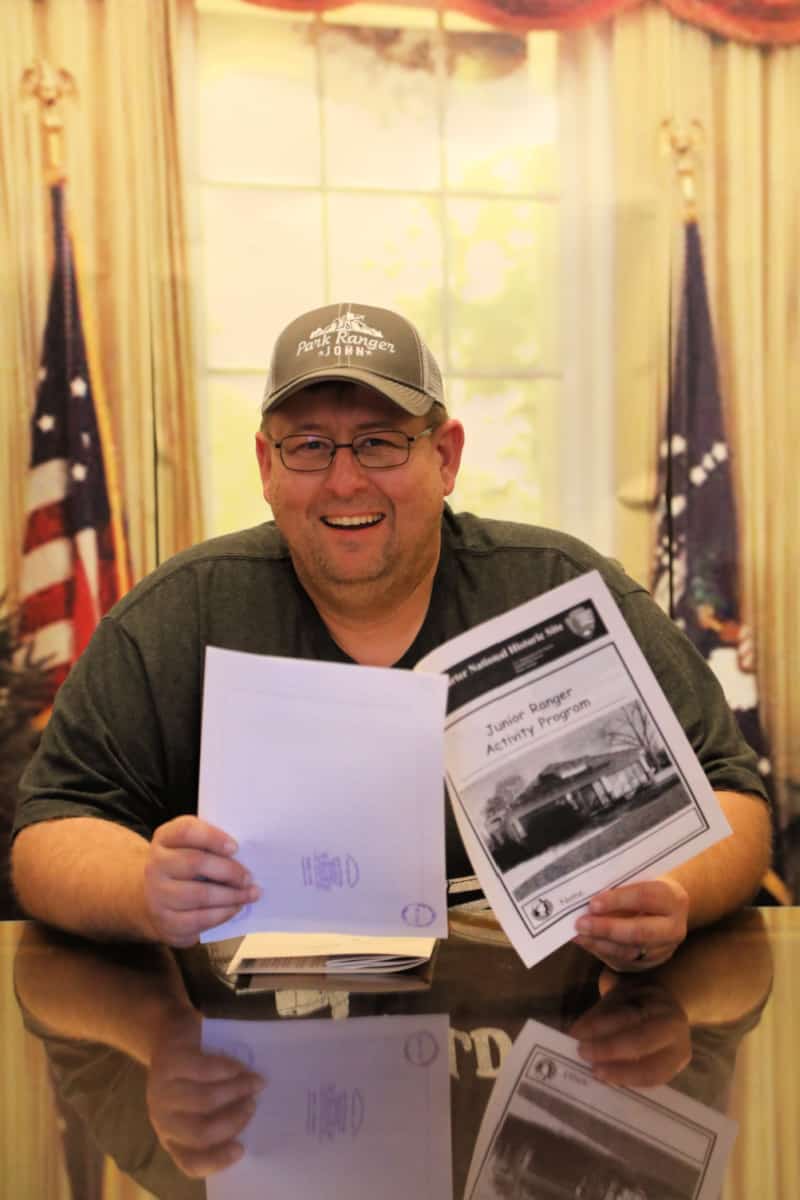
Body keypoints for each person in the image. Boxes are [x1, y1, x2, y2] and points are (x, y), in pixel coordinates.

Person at [11, 301, 771, 972]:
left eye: (380, 442)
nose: (345, 481)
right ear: (266, 466)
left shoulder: (562, 590)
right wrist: (143, 888)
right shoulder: (179, 616)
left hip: (551, 1048)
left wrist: (676, 893)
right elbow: (49, 833)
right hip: (252, 1080)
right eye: (308, 445)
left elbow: (733, 795)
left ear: (446, 457)